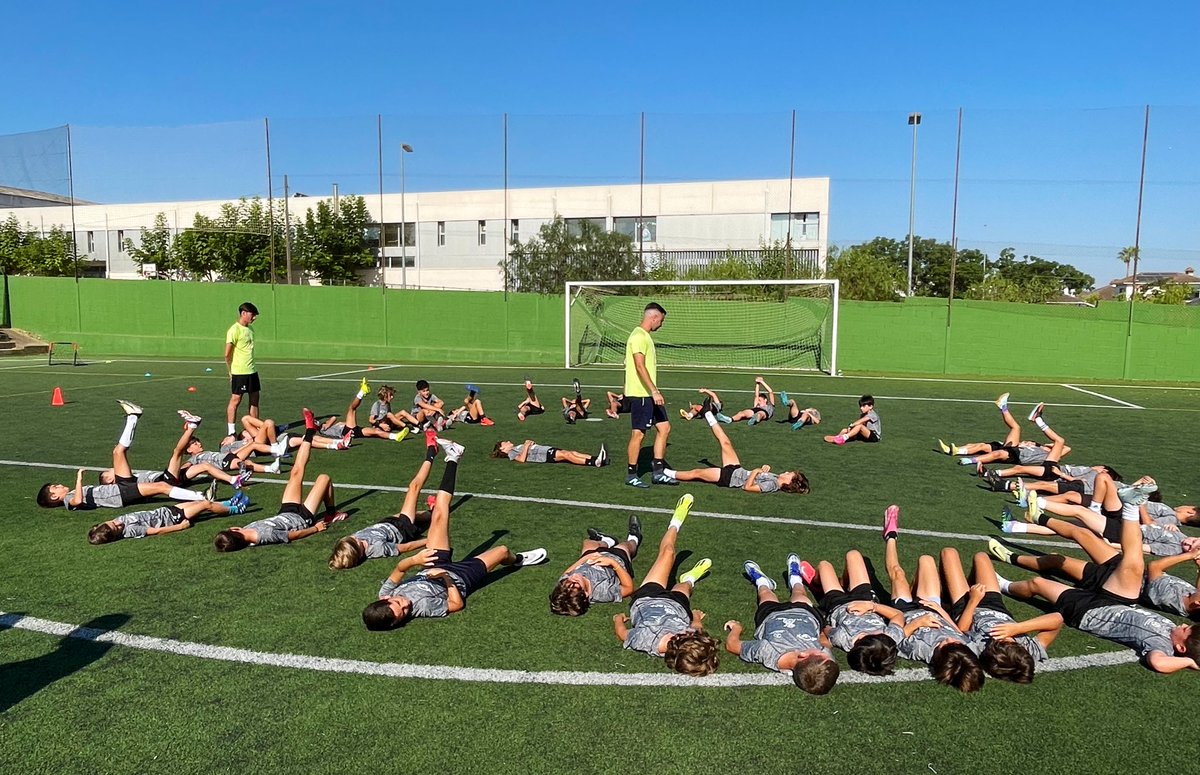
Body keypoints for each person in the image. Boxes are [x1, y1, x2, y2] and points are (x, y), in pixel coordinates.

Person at [995, 496, 1200, 673]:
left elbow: (1158, 663)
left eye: (1185, 630)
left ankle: (1003, 585)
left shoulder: (1161, 645)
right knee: (1132, 560)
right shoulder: (1172, 628)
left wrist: (1190, 661)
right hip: (1120, 598)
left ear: (1181, 648)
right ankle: (1129, 506)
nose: (1182, 625)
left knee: (1038, 583)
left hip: (1091, 612)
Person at [361, 439, 548, 628]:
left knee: (440, 513)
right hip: (460, 579)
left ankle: (454, 457)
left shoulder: (386, 592)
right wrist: (445, 577)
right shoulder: (423, 607)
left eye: (399, 604)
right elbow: (456, 604)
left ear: (385, 599)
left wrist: (415, 561)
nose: (406, 605)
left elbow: (400, 569)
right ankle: (517, 560)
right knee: (502, 551)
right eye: (404, 613)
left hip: (432, 565)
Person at [990, 505, 1200, 621]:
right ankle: (1038, 517)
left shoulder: (1177, 602)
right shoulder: (1193, 596)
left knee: (1057, 561)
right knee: (1083, 533)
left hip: (1119, 580)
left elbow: (1155, 568)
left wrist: (1189, 556)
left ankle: (1010, 557)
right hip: (1126, 568)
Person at [612, 494, 719, 676]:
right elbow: (697, 630)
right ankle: (689, 576)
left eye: (689, 635)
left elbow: (624, 634)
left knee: (668, 553)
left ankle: (675, 521)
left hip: (647, 600)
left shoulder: (646, 641)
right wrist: (696, 620)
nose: (691, 632)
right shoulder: (692, 639)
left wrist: (617, 620)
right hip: (678, 607)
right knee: (684, 587)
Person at [881, 505, 985, 692]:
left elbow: (894, 641)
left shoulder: (921, 650)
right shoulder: (968, 649)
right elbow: (960, 632)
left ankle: (890, 535)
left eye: (945, 646)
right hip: (932, 607)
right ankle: (912, 590)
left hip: (906, 613)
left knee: (897, 573)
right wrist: (940, 611)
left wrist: (917, 623)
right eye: (954, 643)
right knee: (926, 560)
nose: (948, 640)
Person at [213, 409, 347, 552]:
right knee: (324, 478)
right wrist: (315, 528)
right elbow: (292, 535)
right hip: (302, 518)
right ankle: (331, 514)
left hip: (285, 512)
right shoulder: (265, 535)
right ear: (234, 531)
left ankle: (309, 430)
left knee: (296, 471)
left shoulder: (245, 530)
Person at [37, 401, 208, 511]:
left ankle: (133, 416)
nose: (59, 485)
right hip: (120, 494)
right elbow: (78, 500)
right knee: (162, 486)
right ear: (54, 497)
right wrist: (79, 479)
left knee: (118, 452)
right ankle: (201, 497)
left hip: (121, 487)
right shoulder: (68, 499)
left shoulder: (71, 494)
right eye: (55, 487)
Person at [939, 546, 1059, 683]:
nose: (996, 638)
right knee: (981, 556)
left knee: (949, 553)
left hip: (966, 610)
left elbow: (962, 630)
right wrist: (1017, 628)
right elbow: (1057, 619)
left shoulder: (982, 652)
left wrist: (973, 601)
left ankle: (948, 596)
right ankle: (968, 584)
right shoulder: (1031, 650)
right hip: (995, 606)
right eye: (1004, 640)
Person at [725, 555, 839, 694]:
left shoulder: (768, 652)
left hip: (771, 616)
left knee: (765, 594)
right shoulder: (823, 659)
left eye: (820, 652)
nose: (823, 651)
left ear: (803, 655)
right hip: (805, 614)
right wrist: (820, 632)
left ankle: (762, 581)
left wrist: (736, 629)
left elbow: (733, 646)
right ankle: (795, 578)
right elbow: (826, 645)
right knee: (799, 592)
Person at [328, 432, 437, 570]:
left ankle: (434, 510)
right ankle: (432, 451)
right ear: (359, 551)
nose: (355, 537)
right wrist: (428, 541)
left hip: (387, 523)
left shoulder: (352, 542)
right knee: (413, 488)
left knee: (420, 515)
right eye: (355, 541)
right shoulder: (376, 549)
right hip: (403, 529)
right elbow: (404, 547)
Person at [659, 404, 809, 494]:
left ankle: (665, 472)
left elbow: (747, 487)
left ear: (791, 482)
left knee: (697, 473)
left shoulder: (773, 485)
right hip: (737, 470)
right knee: (725, 442)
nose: (788, 472)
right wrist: (764, 469)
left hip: (729, 478)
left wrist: (757, 470)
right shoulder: (776, 478)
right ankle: (707, 413)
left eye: (791, 474)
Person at [98, 411, 252, 493]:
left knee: (204, 466)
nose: (112, 469)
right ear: (111, 480)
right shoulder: (123, 482)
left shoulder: (127, 479)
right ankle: (193, 425)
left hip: (173, 479)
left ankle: (234, 481)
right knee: (177, 452)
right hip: (165, 481)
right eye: (108, 472)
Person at [814, 550, 905, 675]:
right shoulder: (891, 638)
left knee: (824, 565)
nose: (861, 634)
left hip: (837, 604)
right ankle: (844, 583)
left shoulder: (843, 639)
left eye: (859, 639)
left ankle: (815, 581)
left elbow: (826, 628)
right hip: (865, 599)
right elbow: (898, 615)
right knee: (853, 555)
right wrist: (871, 606)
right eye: (870, 634)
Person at [938, 394, 1065, 469]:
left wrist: (1043, 446)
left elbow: (1064, 447)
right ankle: (954, 450)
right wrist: (1036, 445)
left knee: (1015, 429)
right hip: (1015, 448)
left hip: (1017, 454)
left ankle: (1003, 407)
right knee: (982, 445)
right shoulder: (1041, 449)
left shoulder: (1052, 455)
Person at [549, 516, 643, 616]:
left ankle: (608, 541)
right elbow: (629, 588)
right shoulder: (602, 592)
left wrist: (587, 557)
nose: (572, 577)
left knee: (588, 543)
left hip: (591, 560)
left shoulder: (565, 586)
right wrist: (613, 563)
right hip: (618, 562)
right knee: (625, 547)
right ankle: (634, 537)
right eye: (576, 582)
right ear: (585, 594)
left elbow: (567, 573)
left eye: (567, 580)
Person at [623, 302, 673, 488]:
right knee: (639, 434)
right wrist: (653, 390)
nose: (661, 324)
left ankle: (658, 472)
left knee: (664, 428)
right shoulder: (638, 336)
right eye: (661, 320)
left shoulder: (645, 337)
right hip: (642, 394)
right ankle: (632, 474)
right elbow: (639, 365)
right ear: (654, 317)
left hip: (649, 394)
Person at [88, 493, 249, 544]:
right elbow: (156, 531)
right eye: (116, 526)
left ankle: (227, 503)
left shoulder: (118, 522)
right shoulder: (130, 530)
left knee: (200, 502)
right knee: (205, 504)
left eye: (112, 521)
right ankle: (235, 510)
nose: (117, 522)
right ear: (116, 534)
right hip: (172, 519)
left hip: (166, 511)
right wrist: (180, 527)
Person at [318, 379, 407, 443]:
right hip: (346, 432)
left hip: (352, 429)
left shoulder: (326, 428)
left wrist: (342, 423)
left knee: (375, 432)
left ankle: (396, 437)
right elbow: (333, 418)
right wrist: (324, 423)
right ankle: (362, 392)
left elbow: (337, 421)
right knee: (352, 409)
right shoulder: (322, 428)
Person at [225, 301, 260, 442]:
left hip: (252, 371)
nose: (254, 318)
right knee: (236, 400)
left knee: (255, 399)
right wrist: (230, 372)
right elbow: (227, 354)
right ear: (243, 313)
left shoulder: (250, 329)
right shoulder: (234, 330)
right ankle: (231, 432)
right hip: (240, 372)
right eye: (252, 314)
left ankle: (255, 429)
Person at [490, 439, 608, 467]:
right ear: (502, 449)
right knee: (567, 456)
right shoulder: (511, 453)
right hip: (543, 455)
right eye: (504, 443)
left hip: (545, 450)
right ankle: (594, 462)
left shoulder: (515, 447)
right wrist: (526, 446)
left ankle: (597, 458)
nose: (508, 441)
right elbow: (521, 459)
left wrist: (530, 444)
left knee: (571, 452)